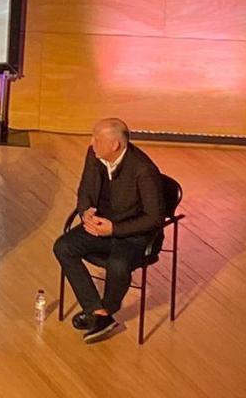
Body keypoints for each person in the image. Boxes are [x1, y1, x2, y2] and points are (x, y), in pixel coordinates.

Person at [52, 118, 165, 344]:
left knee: (118, 265)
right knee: (63, 246)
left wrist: (115, 228)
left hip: (133, 233)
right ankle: (96, 310)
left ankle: (107, 311)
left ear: (115, 145)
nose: (91, 141)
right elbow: (85, 189)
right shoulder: (94, 155)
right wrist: (85, 212)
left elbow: (154, 218)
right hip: (101, 225)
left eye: (97, 138)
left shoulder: (143, 170)